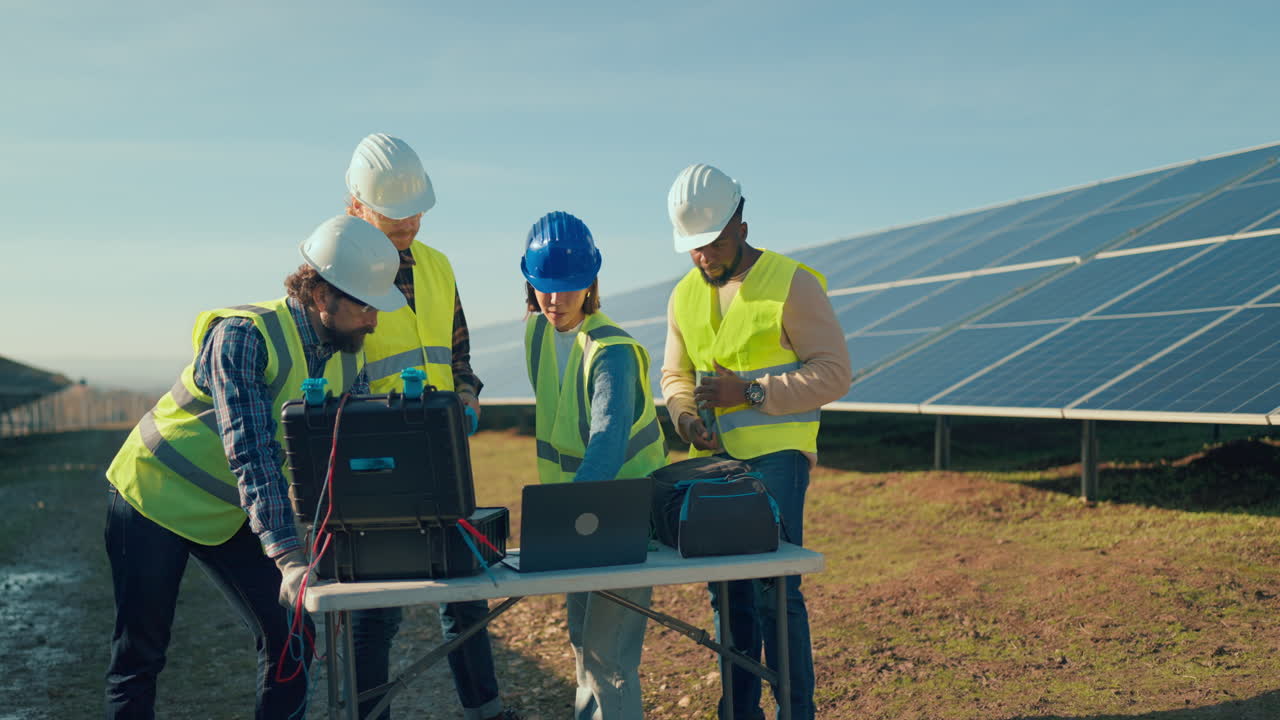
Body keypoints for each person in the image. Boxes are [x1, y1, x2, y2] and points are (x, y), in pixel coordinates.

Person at [103, 215, 401, 719]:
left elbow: (350, 458)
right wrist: (288, 558)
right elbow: (252, 452)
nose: (374, 320)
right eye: (365, 305)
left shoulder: (351, 356)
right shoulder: (244, 337)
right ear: (323, 294)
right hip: (152, 497)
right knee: (142, 655)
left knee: (292, 635)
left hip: (228, 510)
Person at [660, 164, 852, 720]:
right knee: (728, 594)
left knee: (774, 592)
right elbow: (675, 376)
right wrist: (685, 417)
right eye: (693, 248)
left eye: (713, 243)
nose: (703, 257)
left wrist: (748, 392)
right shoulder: (683, 296)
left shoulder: (793, 283)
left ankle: (797, 711)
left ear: (741, 223)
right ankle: (739, 712)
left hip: (777, 460)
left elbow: (835, 373)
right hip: (715, 464)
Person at [342, 132, 519, 720]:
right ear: (356, 207)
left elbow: (459, 359)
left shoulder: (438, 267)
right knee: (376, 611)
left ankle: (485, 712)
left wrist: (465, 396)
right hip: (372, 470)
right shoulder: (335, 270)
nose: (408, 224)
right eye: (394, 215)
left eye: (415, 211)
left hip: (444, 459)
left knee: (465, 591)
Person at [520, 211, 668, 720]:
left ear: (591, 283)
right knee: (583, 644)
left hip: (622, 515)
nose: (554, 300)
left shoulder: (613, 352)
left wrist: (565, 518)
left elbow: (605, 443)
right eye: (544, 287)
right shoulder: (536, 335)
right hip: (580, 517)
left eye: (568, 287)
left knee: (609, 659)